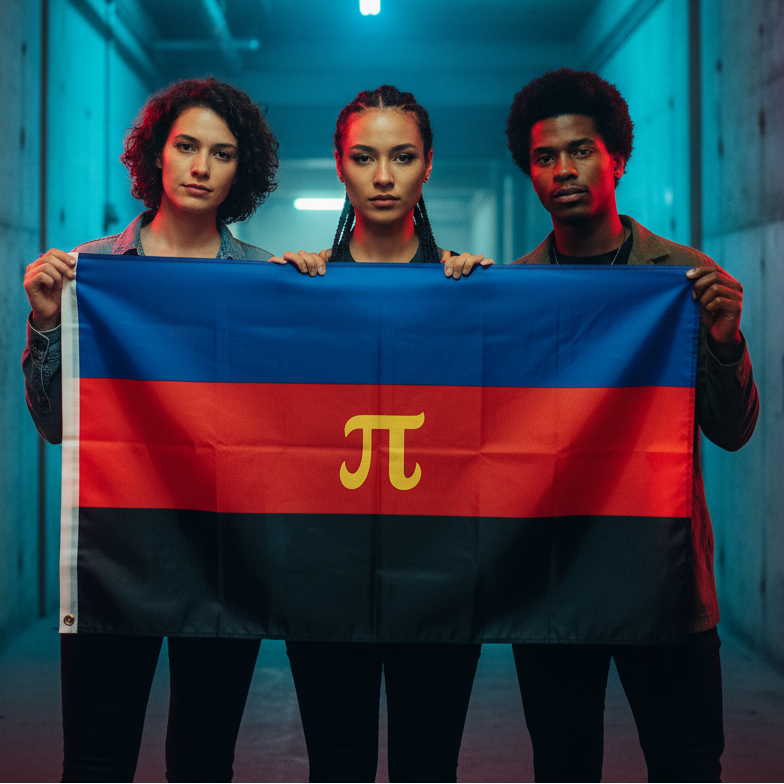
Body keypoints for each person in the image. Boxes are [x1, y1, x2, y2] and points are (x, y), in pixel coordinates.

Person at [504, 67, 759, 783]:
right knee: (562, 764)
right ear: (531, 174)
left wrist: (724, 341)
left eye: (581, 151)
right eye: (545, 158)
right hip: (555, 579)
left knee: (685, 763)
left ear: (616, 158)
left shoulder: (683, 279)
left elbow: (732, 431)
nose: (564, 170)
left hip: (665, 578)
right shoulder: (514, 294)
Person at [22, 77, 279, 783]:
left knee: (204, 764)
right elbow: (54, 429)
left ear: (241, 169)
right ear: (156, 157)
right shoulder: (92, 273)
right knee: (96, 764)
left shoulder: (266, 281)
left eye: (221, 153)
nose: (201, 167)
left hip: (226, 556)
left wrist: (309, 296)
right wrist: (47, 321)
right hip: (116, 554)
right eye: (187, 146)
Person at [271, 85, 486, 783]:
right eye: (365, 158)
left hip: (441, 577)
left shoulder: (469, 290)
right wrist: (270, 300)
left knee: (430, 768)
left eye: (403, 157)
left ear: (429, 166)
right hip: (325, 581)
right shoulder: (301, 290)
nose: (384, 177)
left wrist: (490, 299)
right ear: (339, 166)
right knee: (336, 768)